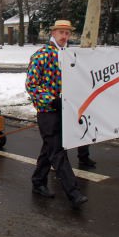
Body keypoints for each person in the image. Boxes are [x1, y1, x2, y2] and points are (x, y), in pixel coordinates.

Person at [25, 19, 88, 209]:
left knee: (50, 148)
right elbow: (31, 84)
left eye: (67, 33)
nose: (64, 36)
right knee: (58, 151)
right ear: (53, 33)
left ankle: (38, 181)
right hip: (48, 110)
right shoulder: (42, 55)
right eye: (61, 32)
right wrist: (51, 100)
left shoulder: (70, 55)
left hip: (64, 109)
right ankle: (73, 192)